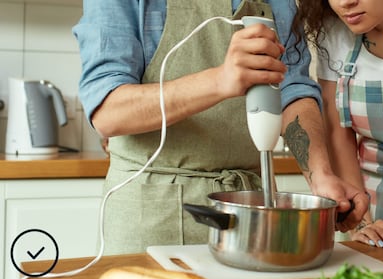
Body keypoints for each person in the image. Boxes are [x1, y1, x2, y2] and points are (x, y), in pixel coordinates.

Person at [73, 0, 368, 255]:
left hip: (251, 208)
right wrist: (219, 81)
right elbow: (108, 110)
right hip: (151, 215)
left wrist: (320, 175)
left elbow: (292, 91)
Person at [295, 0, 383, 249]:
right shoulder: (334, 32)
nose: (345, 2)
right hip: (375, 209)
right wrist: (362, 224)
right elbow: (338, 137)